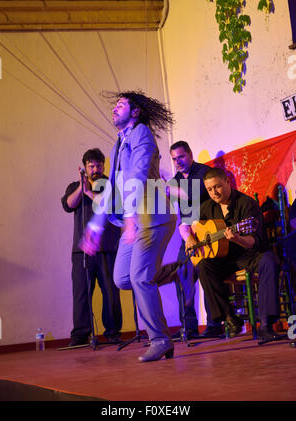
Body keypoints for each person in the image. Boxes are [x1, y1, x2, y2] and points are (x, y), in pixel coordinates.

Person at [80, 90, 177, 362]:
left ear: (134, 112)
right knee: (122, 278)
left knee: (139, 277)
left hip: (152, 217)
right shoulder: (119, 143)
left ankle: (159, 340)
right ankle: (171, 273)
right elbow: (111, 189)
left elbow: (139, 174)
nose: (115, 109)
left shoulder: (142, 133)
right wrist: (95, 228)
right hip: (132, 222)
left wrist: (132, 218)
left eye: (121, 105)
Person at [186, 167, 280, 342]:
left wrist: (237, 238)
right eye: (209, 189)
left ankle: (266, 325)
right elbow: (191, 226)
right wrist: (189, 238)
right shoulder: (207, 207)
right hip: (224, 258)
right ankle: (230, 318)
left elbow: (253, 240)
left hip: (248, 253)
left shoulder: (246, 204)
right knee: (204, 266)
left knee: (269, 261)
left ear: (227, 182)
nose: (214, 192)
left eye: (218, 187)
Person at [61, 148, 122, 346]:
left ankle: (112, 332)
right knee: (81, 293)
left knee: (110, 293)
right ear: (85, 167)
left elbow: (109, 206)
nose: (96, 169)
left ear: (104, 165)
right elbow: (69, 205)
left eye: (99, 165)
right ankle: (80, 335)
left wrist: (89, 192)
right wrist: (81, 187)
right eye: (91, 166)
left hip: (107, 249)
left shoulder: (111, 185)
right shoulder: (75, 185)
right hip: (82, 252)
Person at [169, 141, 222, 339]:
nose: (178, 162)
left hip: (208, 232)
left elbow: (201, 195)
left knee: (208, 272)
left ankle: (214, 325)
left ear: (190, 154)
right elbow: (180, 211)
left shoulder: (204, 173)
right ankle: (188, 328)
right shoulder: (174, 181)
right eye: (174, 159)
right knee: (182, 274)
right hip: (188, 235)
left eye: (181, 157)